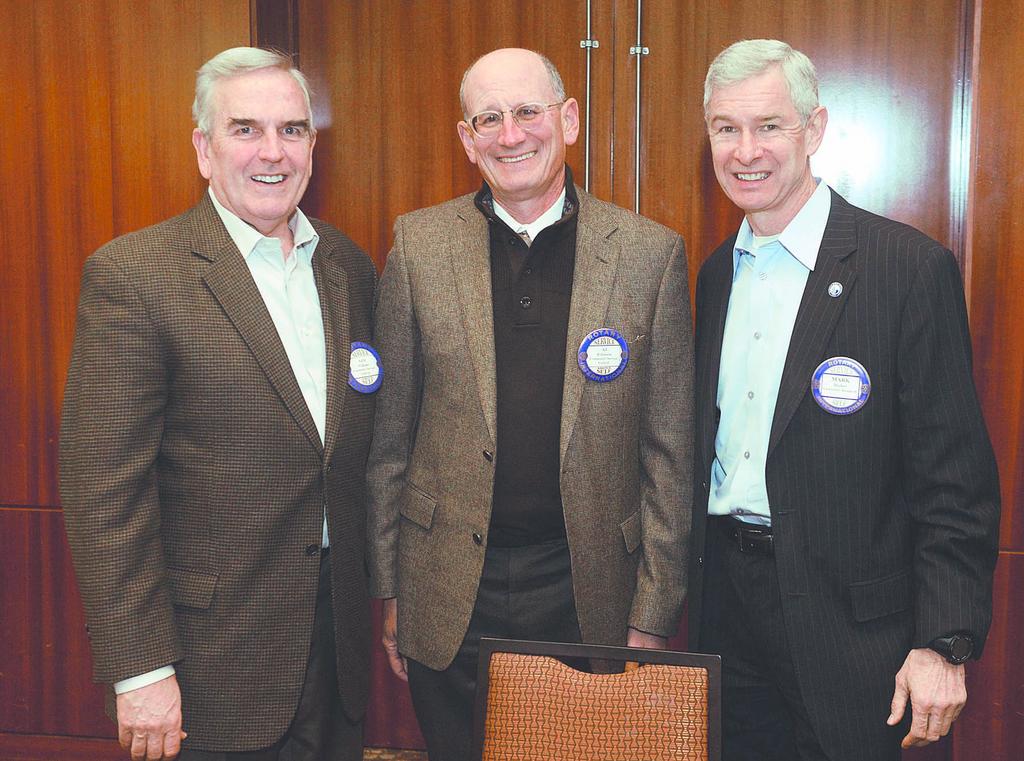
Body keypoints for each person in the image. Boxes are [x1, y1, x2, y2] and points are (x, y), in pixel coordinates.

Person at [367, 47, 693, 761]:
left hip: (588, 591)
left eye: (527, 112)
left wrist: (654, 610)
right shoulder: (417, 245)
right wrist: (391, 587)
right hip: (449, 586)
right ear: (466, 138)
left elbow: (669, 452)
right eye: (489, 118)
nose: (510, 134)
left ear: (568, 120)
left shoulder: (649, 256)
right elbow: (391, 436)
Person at [60, 47, 378, 761]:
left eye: (292, 130)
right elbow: (104, 494)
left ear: (312, 146)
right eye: (246, 130)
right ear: (204, 149)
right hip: (211, 665)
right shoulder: (135, 277)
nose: (273, 151)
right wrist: (141, 669)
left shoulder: (348, 267)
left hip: (337, 655)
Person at [688, 38, 1001, 761]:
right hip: (730, 623)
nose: (745, 150)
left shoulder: (905, 270)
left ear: (815, 129)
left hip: (861, 642)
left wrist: (943, 643)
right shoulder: (713, 277)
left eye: (769, 125)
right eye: (725, 128)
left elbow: (955, 481)